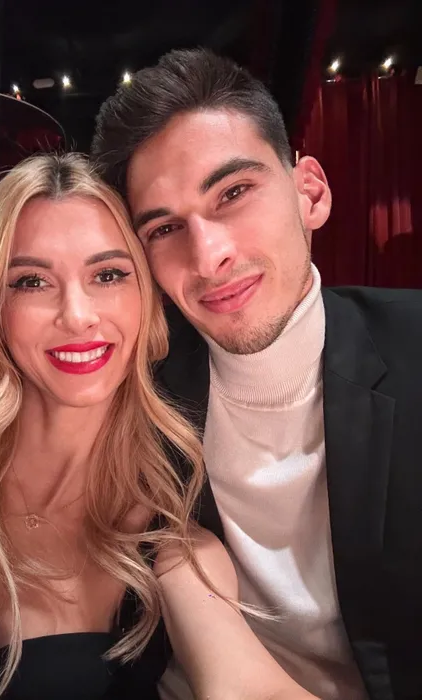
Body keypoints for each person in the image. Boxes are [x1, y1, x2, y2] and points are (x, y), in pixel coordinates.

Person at [0, 153, 318, 700]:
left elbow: (249, 687)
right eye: (31, 282)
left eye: (108, 275)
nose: (77, 315)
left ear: (148, 301)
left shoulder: (172, 544)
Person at [92, 48, 422, 700]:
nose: (208, 255)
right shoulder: (136, 385)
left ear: (310, 193)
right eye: (165, 228)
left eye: (234, 193)